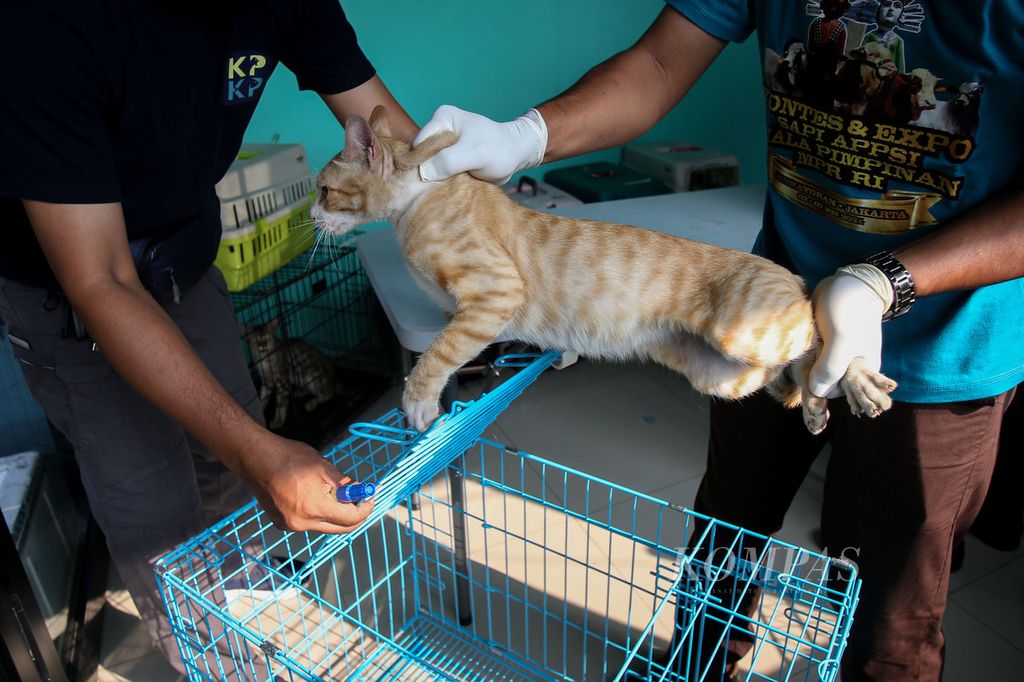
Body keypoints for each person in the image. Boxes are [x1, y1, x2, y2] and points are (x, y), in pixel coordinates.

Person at [411, 1, 1024, 679]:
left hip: (943, 338)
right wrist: (527, 135)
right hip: (768, 298)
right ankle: (699, 668)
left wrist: (885, 284)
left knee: (891, 614)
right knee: (723, 542)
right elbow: (658, 61)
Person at [0, 0, 417, 674]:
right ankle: (220, 662)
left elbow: (385, 124)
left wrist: (458, 205)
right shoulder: (46, 27)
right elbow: (101, 280)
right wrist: (262, 454)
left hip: (184, 260)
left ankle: (252, 618)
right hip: (71, 287)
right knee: (157, 508)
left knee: (228, 464)